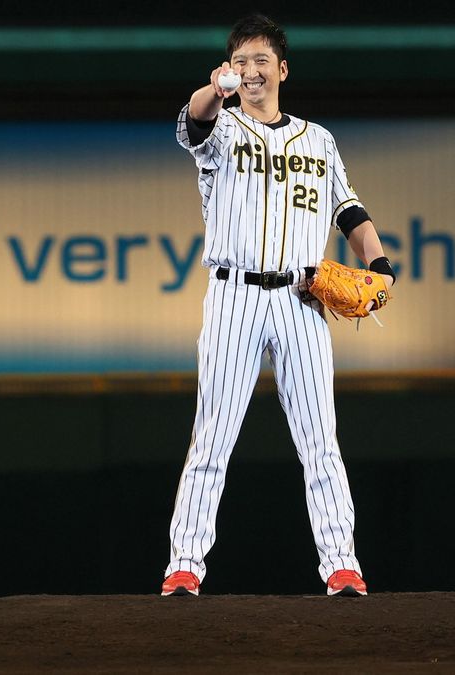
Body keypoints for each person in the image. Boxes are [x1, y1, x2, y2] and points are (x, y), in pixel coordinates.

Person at [160, 13, 395, 598]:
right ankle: (184, 565)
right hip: (234, 296)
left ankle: (342, 564)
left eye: (261, 60)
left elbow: (350, 214)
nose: (251, 71)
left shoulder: (319, 140)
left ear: (283, 69)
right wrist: (215, 89)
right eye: (241, 62)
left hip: (300, 299)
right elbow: (194, 120)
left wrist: (381, 266)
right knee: (211, 439)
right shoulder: (222, 129)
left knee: (320, 441)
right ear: (229, 71)